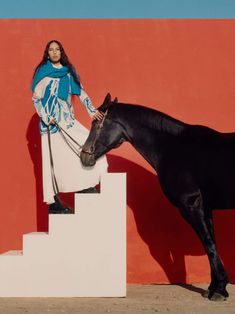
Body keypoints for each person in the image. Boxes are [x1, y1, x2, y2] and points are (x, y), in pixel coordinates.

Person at [31, 40, 108, 214]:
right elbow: (35, 99)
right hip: (50, 126)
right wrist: (45, 116)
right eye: (51, 50)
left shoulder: (68, 73)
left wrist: (92, 111)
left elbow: (81, 92)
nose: (54, 52)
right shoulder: (43, 73)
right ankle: (54, 203)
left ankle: (85, 185)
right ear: (47, 53)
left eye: (57, 49)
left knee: (86, 147)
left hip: (68, 122)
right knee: (55, 163)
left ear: (61, 52)